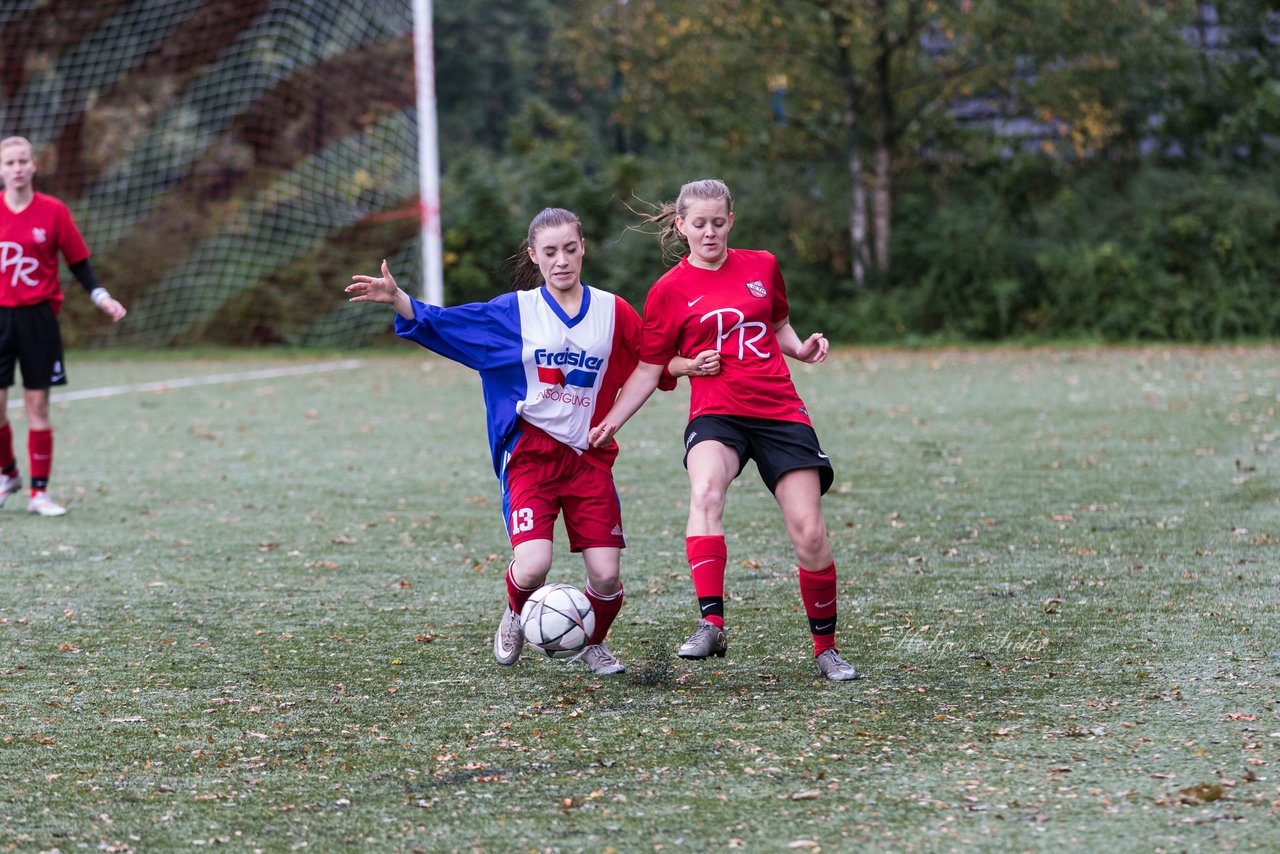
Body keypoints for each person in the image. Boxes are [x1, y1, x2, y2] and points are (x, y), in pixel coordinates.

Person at [346, 207, 674, 675]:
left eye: (570, 249)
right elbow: (445, 323)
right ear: (534, 256)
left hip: (588, 459)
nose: (562, 260)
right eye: (550, 252)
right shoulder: (514, 313)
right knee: (534, 564)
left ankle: (593, 643)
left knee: (605, 574)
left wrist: (690, 363)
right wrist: (399, 298)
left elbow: (651, 358)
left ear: (582, 248)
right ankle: (517, 612)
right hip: (529, 457)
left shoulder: (613, 310)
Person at [590, 178, 859, 681]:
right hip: (717, 413)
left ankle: (826, 649)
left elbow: (778, 324)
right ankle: (711, 622)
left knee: (810, 533)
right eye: (699, 224)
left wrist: (801, 350)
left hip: (780, 411)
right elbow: (653, 367)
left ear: (730, 221)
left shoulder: (762, 265)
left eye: (718, 222)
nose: (709, 232)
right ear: (681, 226)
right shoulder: (668, 291)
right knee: (706, 491)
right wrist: (615, 418)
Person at [0, 136, 127, 517]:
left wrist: (102, 297)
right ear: (1, 170)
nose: (18, 168)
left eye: (24, 161)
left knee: (37, 405)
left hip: (38, 318)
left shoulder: (53, 212)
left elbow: (79, 265)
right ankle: (7, 474)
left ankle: (39, 494)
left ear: (34, 166)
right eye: (10, 162)